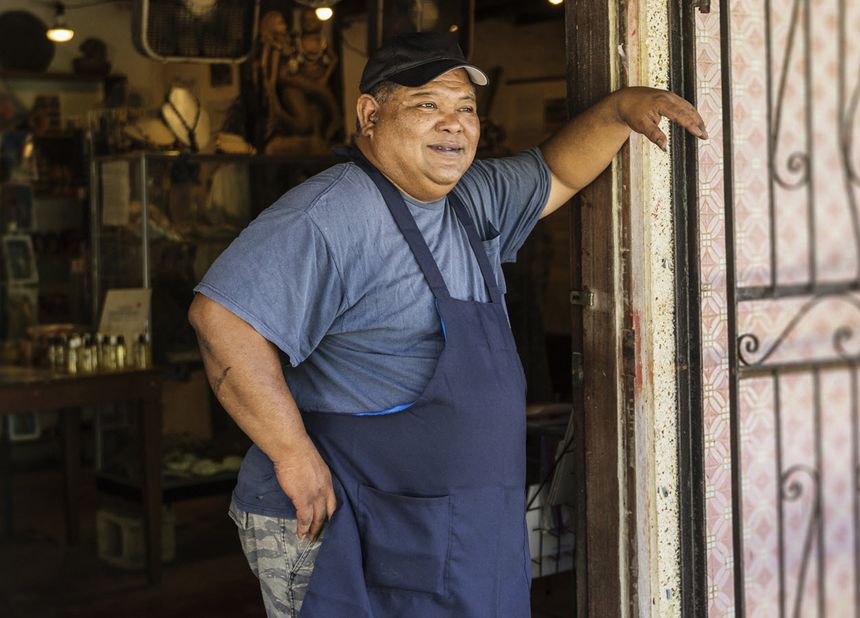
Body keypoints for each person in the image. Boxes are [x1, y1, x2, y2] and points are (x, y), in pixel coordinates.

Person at [188, 31, 706, 618]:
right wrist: (290, 452)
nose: (453, 124)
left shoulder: (469, 199)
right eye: (427, 105)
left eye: (465, 109)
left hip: (449, 526)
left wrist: (621, 110)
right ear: (370, 115)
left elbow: (558, 173)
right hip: (343, 520)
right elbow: (221, 319)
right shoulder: (331, 215)